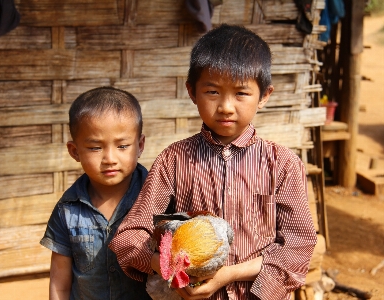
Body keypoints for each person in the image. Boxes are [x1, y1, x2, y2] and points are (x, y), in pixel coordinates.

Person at [109, 24, 318, 300]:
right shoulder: (174, 160)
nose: (226, 107)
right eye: (212, 92)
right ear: (192, 92)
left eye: (241, 93)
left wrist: (228, 275)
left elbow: (297, 246)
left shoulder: (283, 165)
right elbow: (129, 236)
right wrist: (169, 268)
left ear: (264, 95)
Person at [40, 86, 151, 300]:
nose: (109, 158)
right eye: (95, 148)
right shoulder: (67, 210)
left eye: (122, 146)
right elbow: (60, 283)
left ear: (140, 145)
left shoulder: (157, 198)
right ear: (75, 151)